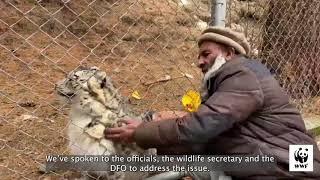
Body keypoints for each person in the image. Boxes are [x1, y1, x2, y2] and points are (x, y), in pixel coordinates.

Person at [104, 26, 320, 179]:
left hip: (289, 169)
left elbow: (202, 125)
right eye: (199, 56)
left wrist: (140, 133)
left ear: (229, 52)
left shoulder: (242, 74)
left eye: (206, 54)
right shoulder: (238, 77)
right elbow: (212, 131)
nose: (199, 62)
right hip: (287, 161)